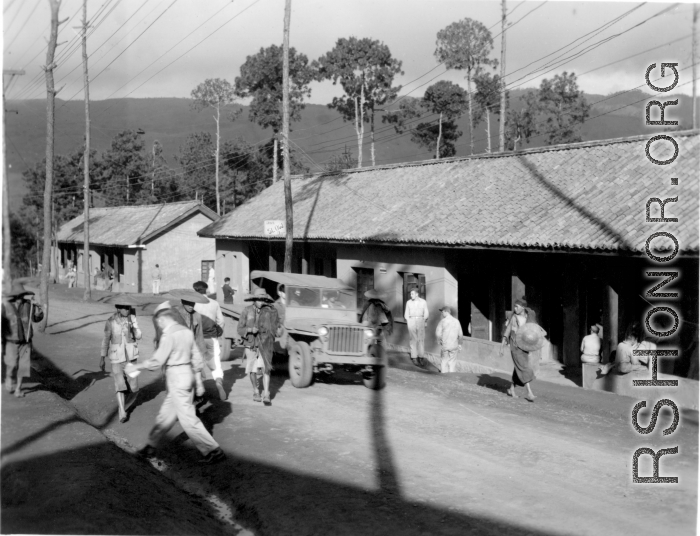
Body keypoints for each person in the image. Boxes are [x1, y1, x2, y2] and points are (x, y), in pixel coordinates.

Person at [126, 302, 225, 465]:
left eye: (159, 321)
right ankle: (150, 447)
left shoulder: (168, 335)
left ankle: (213, 450)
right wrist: (198, 380)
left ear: (164, 318)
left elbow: (157, 362)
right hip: (186, 375)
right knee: (165, 416)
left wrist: (137, 366)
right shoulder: (186, 332)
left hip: (176, 376)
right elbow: (198, 359)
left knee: (187, 419)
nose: (159, 325)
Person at [100, 295, 142, 423]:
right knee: (119, 385)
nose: (126, 310)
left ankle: (124, 406)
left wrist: (133, 324)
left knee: (134, 387)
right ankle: (122, 410)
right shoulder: (110, 321)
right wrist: (102, 356)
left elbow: (139, 336)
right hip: (117, 358)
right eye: (124, 308)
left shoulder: (132, 319)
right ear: (118, 308)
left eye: (128, 307)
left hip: (131, 358)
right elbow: (106, 339)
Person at [237, 288, 281, 405]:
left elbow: (275, 327)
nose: (262, 302)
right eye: (259, 299)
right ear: (254, 300)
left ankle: (266, 393)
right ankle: (256, 391)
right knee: (252, 369)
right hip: (251, 344)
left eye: (263, 300)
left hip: (265, 344)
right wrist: (250, 330)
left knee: (266, 368)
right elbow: (239, 329)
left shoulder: (269, 312)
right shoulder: (247, 311)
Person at [2, 282, 44, 398]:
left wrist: (39, 312)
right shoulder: (5, 306)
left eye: (21, 295)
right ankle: (9, 381)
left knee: (24, 365)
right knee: (11, 364)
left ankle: (18, 389)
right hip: (11, 340)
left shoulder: (29, 305)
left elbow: (36, 318)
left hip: (26, 341)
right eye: (17, 296)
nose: (19, 298)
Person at [192, 281, 226, 400]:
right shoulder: (214, 303)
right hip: (211, 337)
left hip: (197, 339)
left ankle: (199, 389)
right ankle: (218, 382)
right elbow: (221, 321)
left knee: (197, 363)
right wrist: (217, 332)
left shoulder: (193, 304)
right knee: (215, 362)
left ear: (195, 290)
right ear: (206, 290)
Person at [499, 298, 538, 402]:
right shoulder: (514, 318)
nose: (515, 309)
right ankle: (529, 392)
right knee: (524, 367)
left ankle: (511, 389)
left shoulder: (528, 317)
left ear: (523, 307)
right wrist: (502, 345)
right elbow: (507, 330)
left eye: (517, 306)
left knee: (518, 368)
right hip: (515, 346)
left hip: (524, 346)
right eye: (514, 306)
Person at [404, 287, 429, 367]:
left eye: (412, 294)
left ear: (417, 294)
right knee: (413, 339)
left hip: (420, 320)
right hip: (412, 320)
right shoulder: (408, 302)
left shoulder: (423, 302)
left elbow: (426, 312)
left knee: (421, 339)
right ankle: (414, 357)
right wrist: (409, 321)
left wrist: (424, 320)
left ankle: (421, 357)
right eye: (410, 294)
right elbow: (406, 314)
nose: (411, 295)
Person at [436, 305, 463, 373]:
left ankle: (444, 376)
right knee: (452, 362)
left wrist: (439, 341)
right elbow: (460, 334)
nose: (441, 313)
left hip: (445, 345)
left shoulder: (443, 321)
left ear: (446, 312)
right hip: (454, 345)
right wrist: (459, 344)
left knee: (444, 361)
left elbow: (438, 333)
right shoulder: (456, 321)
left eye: (442, 312)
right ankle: (451, 376)